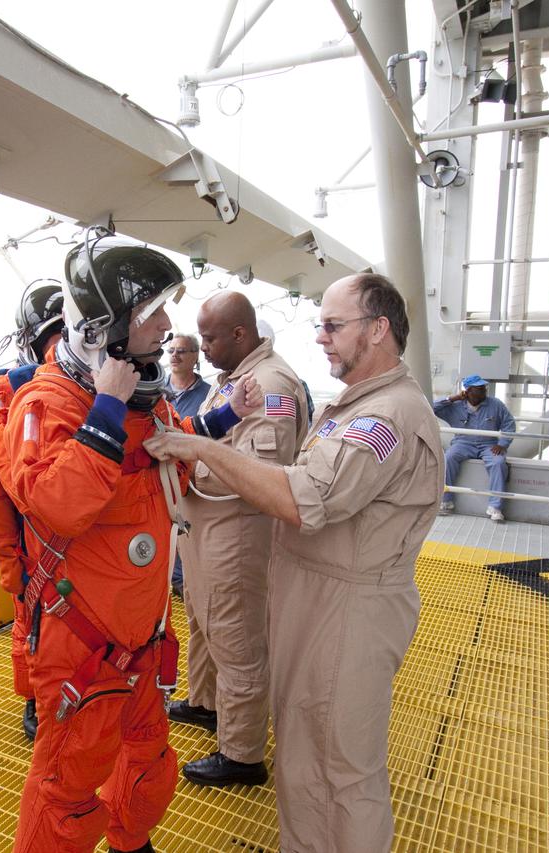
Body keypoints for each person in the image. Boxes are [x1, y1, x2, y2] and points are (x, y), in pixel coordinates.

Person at [145, 273, 444, 852]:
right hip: (319, 599)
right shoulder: (354, 406)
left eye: (333, 326)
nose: (322, 338)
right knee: (308, 753)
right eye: (320, 326)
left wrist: (200, 446)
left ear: (377, 329)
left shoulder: (382, 418)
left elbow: (307, 498)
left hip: (347, 609)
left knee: (341, 768)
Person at [0, 230, 261, 853]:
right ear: (106, 326)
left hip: (140, 635)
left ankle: (130, 843)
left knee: (148, 764)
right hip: (79, 638)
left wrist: (223, 418)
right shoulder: (47, 402)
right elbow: (56, 504)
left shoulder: (143, 395)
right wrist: (104, 410)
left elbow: (168, 457)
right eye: (153, 312)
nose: (167, 323)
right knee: (67, 786)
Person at [169, 291, 308, 788]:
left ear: (239, 335)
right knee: (205, 622)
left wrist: (187, 463)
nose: (201, 347)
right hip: (206, 535)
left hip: (239, 537)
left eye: (207, 338)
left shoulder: (270, 384)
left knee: (238, 640)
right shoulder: (230, 382)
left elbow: (261, 472)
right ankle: (205, 702)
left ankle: (242, 754)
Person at [0, 279, 65, 742]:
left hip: (71, 517)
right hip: (34, 526)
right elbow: (3, 463)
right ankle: (37, 699)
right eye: (57, 337)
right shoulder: (10, 391)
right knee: (35, 612)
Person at [162, 333, 210, 596]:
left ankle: (185, 585)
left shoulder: (209, 395)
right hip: (159, 481)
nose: (175, 355)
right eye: (171, 350)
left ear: (195, 356)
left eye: (182, 351)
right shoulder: (154, 391)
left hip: (193, 483)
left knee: (189, 536)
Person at [432, 373, 516, 522]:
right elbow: (432, 408)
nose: (484, 391)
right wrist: (452, 398)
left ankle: (495, 507)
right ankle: (446, 501)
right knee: (448, 458)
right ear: (468, 391)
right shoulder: (456, 406)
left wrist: (502, 444)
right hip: (463, 443)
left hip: (488, 444)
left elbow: (509, 424)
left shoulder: (495, 404)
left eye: (484, 388)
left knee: (498, 463)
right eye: (479, 388)